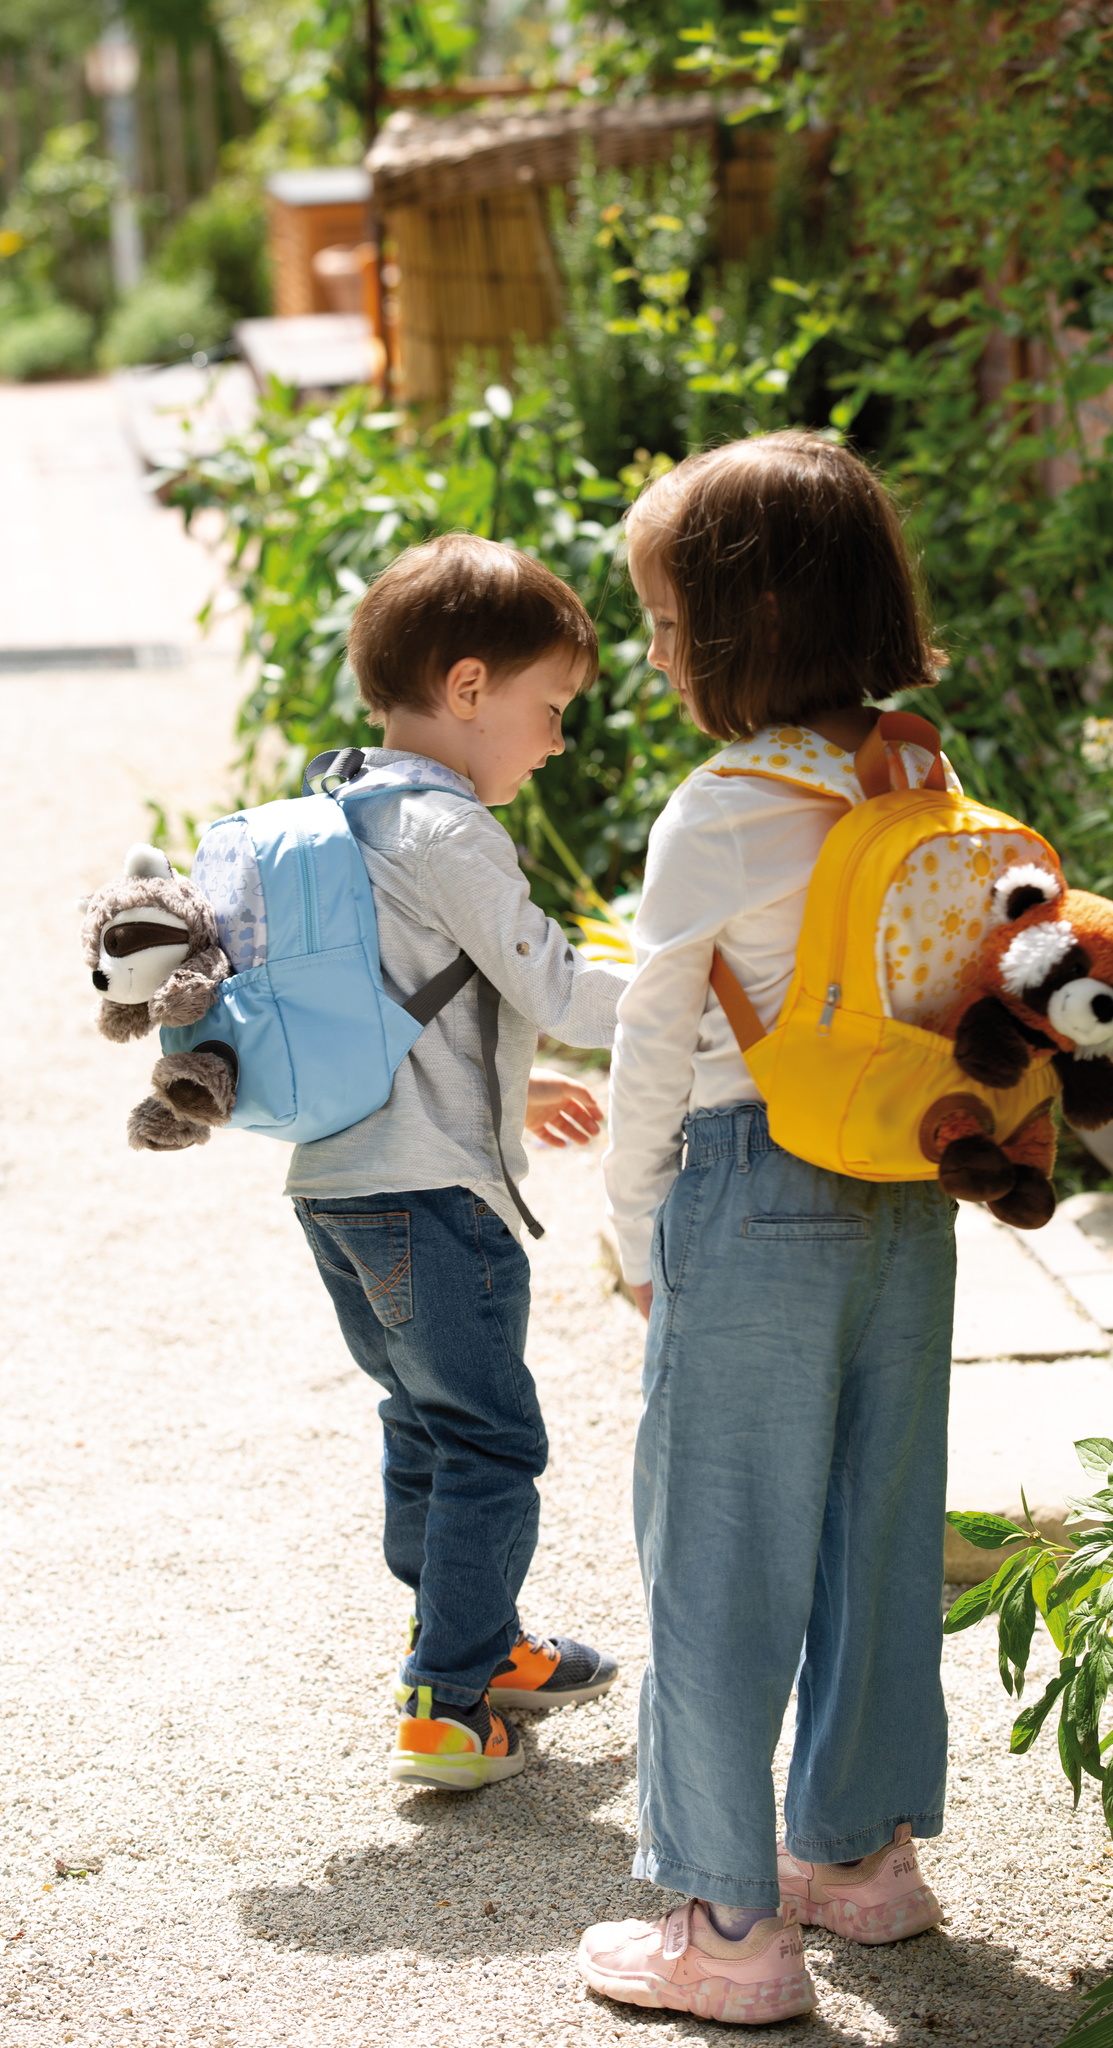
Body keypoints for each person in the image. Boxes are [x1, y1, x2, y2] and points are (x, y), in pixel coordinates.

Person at [579, 433, 957, 2025]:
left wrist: (629, 1234)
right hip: (907, 1198)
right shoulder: (921, 769)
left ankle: (726, 1929)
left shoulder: (723, 809)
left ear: (744, 625)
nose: (657, 655)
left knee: (718, 1558)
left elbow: (654, 1040)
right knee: (879, 1525)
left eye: (669, 622)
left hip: (753, 1188)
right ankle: (861, 1861)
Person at [288, 534, 627, 1793]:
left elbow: (395, 998)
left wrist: (509, 1076)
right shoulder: (451, 825)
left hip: (338, 1183)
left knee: (426, 1419)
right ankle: (448, 1695)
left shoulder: (343, 807)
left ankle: (463, 1638)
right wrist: (714, 992)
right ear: (472, 687)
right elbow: (561, 985)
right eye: (550, 710)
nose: (554, 742)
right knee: (491, 1438)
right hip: (435, 1191)